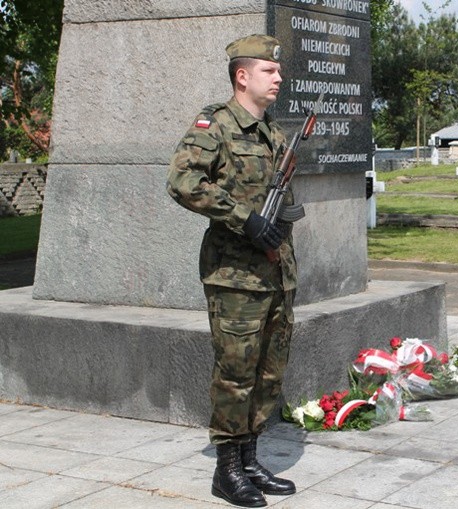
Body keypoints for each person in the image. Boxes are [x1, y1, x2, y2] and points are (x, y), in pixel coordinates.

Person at [167, 34, 299, 507]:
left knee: (267, 374)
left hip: (275, 273)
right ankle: (226, 469)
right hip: (234, 277)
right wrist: (246, 219)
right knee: (235, 373)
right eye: (269, 70)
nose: (279, 77)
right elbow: (182, 181)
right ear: (242, 76)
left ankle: (249, 458)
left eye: (278, 70)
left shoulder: (275, 134)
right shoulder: (216, 125)